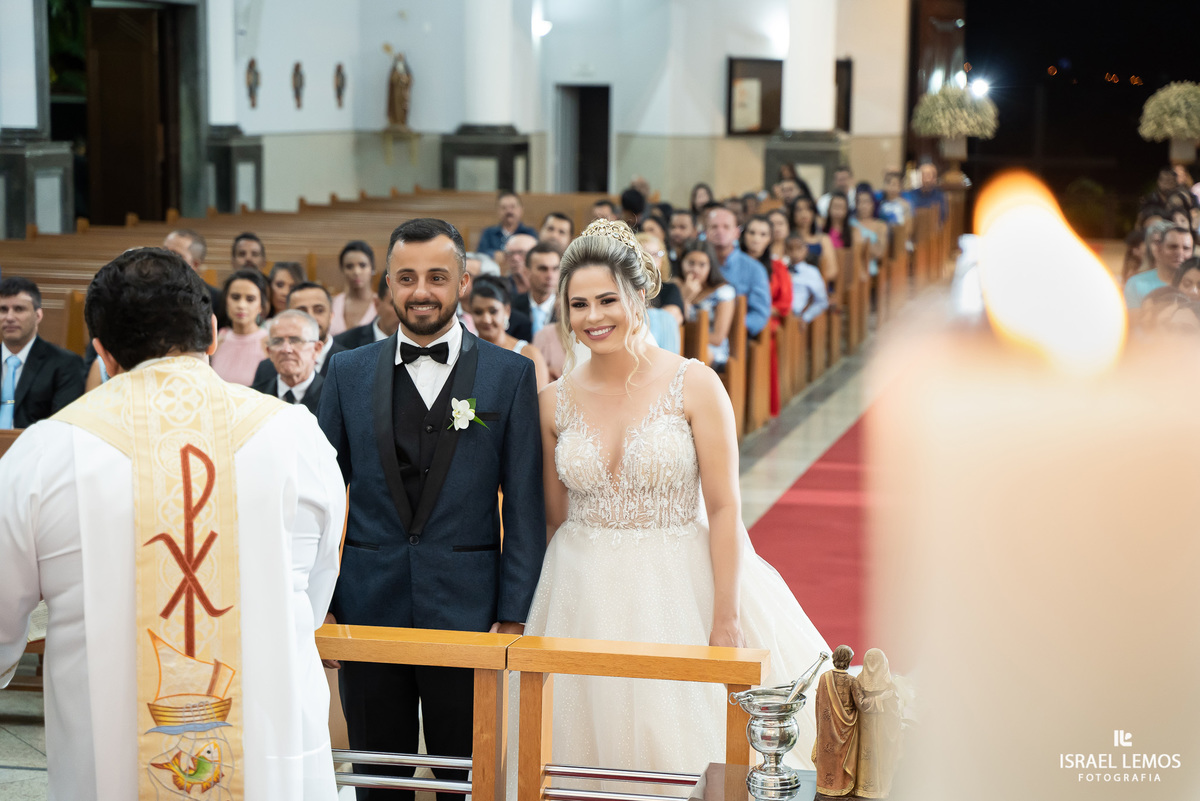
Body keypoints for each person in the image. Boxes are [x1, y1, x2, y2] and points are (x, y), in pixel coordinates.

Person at [0, 247, 345, 800]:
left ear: (103, 353)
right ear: (212, 333)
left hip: (105, 770)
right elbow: (311, 593)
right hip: (268, 758)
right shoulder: (297, 435)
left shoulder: (45, 451)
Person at [524, 218, 831, 778]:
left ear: (639, 297)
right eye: (579, 305)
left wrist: (726, 616)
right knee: (580, 755)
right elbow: (551, 519)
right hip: (580, 586)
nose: (593, 317)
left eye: (607, 300)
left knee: (693, 752)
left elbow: (723, 507)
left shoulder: (694, 383)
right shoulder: (551, 403)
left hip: (680, 580)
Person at [317, 217, 545, 800]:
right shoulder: (346, 372)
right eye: (408, 277)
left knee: (465, 777)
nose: (422, 291)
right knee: (377, 778)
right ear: (388, 286)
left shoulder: (509, 375)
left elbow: (522, 504)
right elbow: (320, 498)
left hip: (468, 610)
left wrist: (514, 611)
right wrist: (322, 603)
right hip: (367, 606)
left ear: (465, 282)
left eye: (438, 277)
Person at [0, 277, 84, 428]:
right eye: (3, 310)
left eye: (19, 309)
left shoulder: (66, 364)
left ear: (38, 315)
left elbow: (62, 427)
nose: (9, 317)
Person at [740, 216, 792, 416]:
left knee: (765, 336)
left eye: (763, 235)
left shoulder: (777, 267)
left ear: (770, 239)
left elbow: (784, 305)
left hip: (764, 322)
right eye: (752, 233)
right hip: (731, 319)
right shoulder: (732, 263)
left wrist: (756, 309)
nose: (756, 239)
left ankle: (757, 406)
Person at [470, 275, 550, 389]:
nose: (486, 319)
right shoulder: (464, 352)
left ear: (507, 311)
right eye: (478, 312)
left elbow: (540, 402)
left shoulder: (529, 355)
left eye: (493, 311)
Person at [704, 205, 772, 336]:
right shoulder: (698, 263)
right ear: (706, 232)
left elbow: (759, 314)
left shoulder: (754, 269)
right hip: (701, 330)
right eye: (714, 227)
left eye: (726, 227)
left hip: (737, 336)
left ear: (736, 232)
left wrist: (728, 325)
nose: (720, 231)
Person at [676, 239, 735, 368]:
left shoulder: (723, 292)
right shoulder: (675, 286)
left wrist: (691, 338)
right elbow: (675, 324)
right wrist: (685, 298)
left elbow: (718, 338)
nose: (695, 269)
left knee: (697, 357)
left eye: (702, 265)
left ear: (711, 266)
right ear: (682, 263)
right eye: (691, 263)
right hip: (681, 344)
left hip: (712, 351)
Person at [253, 309, 326, 413]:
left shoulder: (333, 397)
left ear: (316, 349)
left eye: (295, 340)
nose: (286, 349)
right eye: (277, 341)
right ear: (269, 352)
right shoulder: (254, 397)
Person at [852, 649, 902, 799]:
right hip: (865, 729)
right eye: (870, 661)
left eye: (876, 661)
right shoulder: (859, 681)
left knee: (881, 757)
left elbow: (894, 711)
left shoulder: (889, 684)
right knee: (866, 758)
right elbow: (860, 704)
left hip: (882, 730)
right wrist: (881, 699)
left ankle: (881, 788)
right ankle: (865, 788)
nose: (873, 665)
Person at [811, 645, 859, 797]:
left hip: (827, 727)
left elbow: (819, 702)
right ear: (849, 660)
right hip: (848, 726)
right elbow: (858, 704)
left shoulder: (824, 678)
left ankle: (827, 785)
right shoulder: (852, 681)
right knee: (842, 757)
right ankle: (842, 785)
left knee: (828, 755)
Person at [211, 269, 270, 385]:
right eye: (235, 297)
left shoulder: (268, 342)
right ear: (226, 301)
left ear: (261, 306)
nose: (241, 305)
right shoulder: (218, 339)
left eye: (250, 299)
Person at [164, 228, 229, 328]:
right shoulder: (146, 289)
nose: (165, 258)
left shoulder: (216, 299)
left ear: (195, 264)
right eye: (164, 250)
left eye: (175, 254)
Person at [1125, 222, 1194, 309]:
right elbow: (1134, 321)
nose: (1180, 253)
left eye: (1186, 248)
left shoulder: (1196, 287)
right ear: (1159, 249)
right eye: (1173, 247)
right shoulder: (1136, 284)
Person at [335, 273, 401, 350]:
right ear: (377, 304)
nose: (402, 313)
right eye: (395, 305)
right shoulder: (343, 345)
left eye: (410, 306)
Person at [329, 241, 379, 336]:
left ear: (372, 269)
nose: (356, 271)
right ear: (342, 270)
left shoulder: (381, 305)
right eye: (349, 266)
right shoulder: (332, 303)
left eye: (362, 265)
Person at [513, 242, 562, 336]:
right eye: (543, 269)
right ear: (526, 272)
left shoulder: (568, 310)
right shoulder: (512, 307)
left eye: (555, 269)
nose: (550, 276)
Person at [791, 196, 839, 283]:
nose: (804, 213)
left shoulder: (824, 239)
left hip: (819, 285)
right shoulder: (788, 239)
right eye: (799, 210)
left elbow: (832, 271)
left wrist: (812, 280)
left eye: (808, 209)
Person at [477, 191, 538, 257]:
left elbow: (535, 254)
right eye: (504, 208)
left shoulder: (529, 233)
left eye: (513, 207)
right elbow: (480, 254)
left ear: (521, 209)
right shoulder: (488, 233)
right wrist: (495, 255)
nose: (509, 211)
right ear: (498, 211)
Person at [786, 234, 830, 324]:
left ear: (806, 249)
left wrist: (806, 317)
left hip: (796, 316)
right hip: (780, 312)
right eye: (790, 249)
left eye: (799, 248)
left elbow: (822, 301)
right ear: (785, 251)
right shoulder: (781, 268)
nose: (795, 253)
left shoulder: (811, 272)